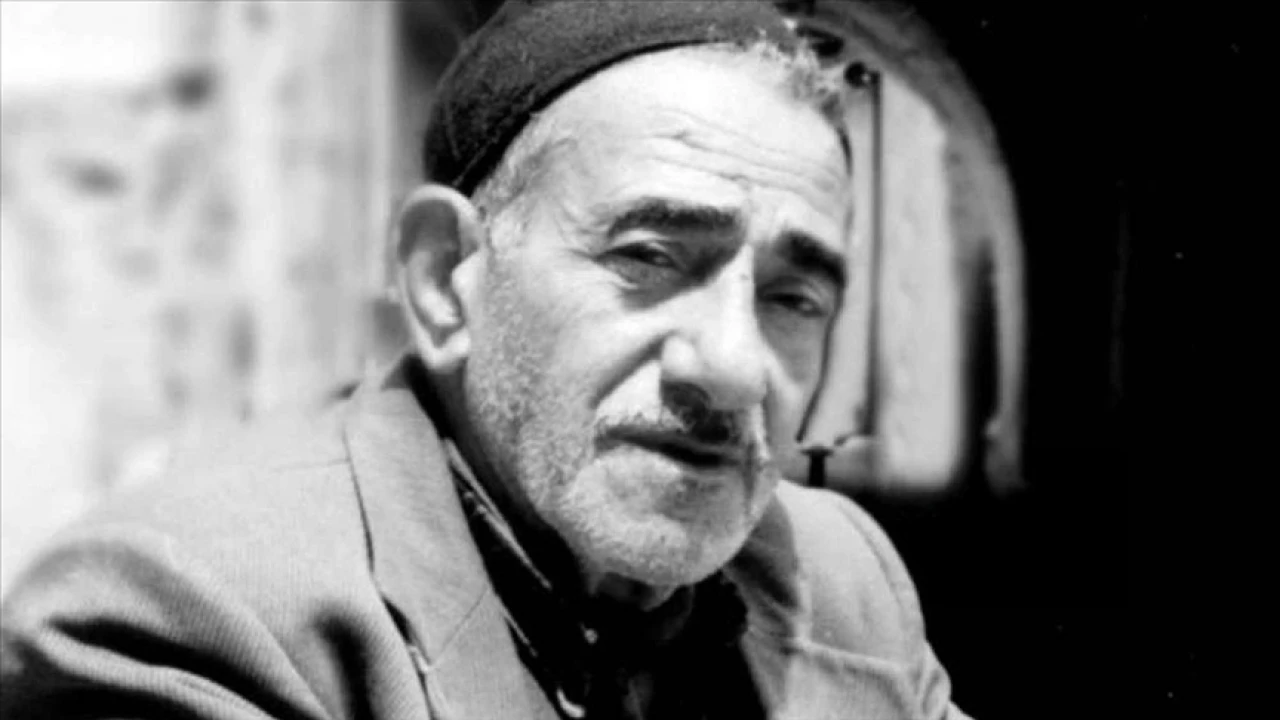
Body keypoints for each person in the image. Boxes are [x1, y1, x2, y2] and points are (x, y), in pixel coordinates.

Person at [0, 2, 970, 718]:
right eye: (646, 258)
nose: (734, 366)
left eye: (793, 298)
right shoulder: (196, 617)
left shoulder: (840, 574)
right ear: (441, 280)